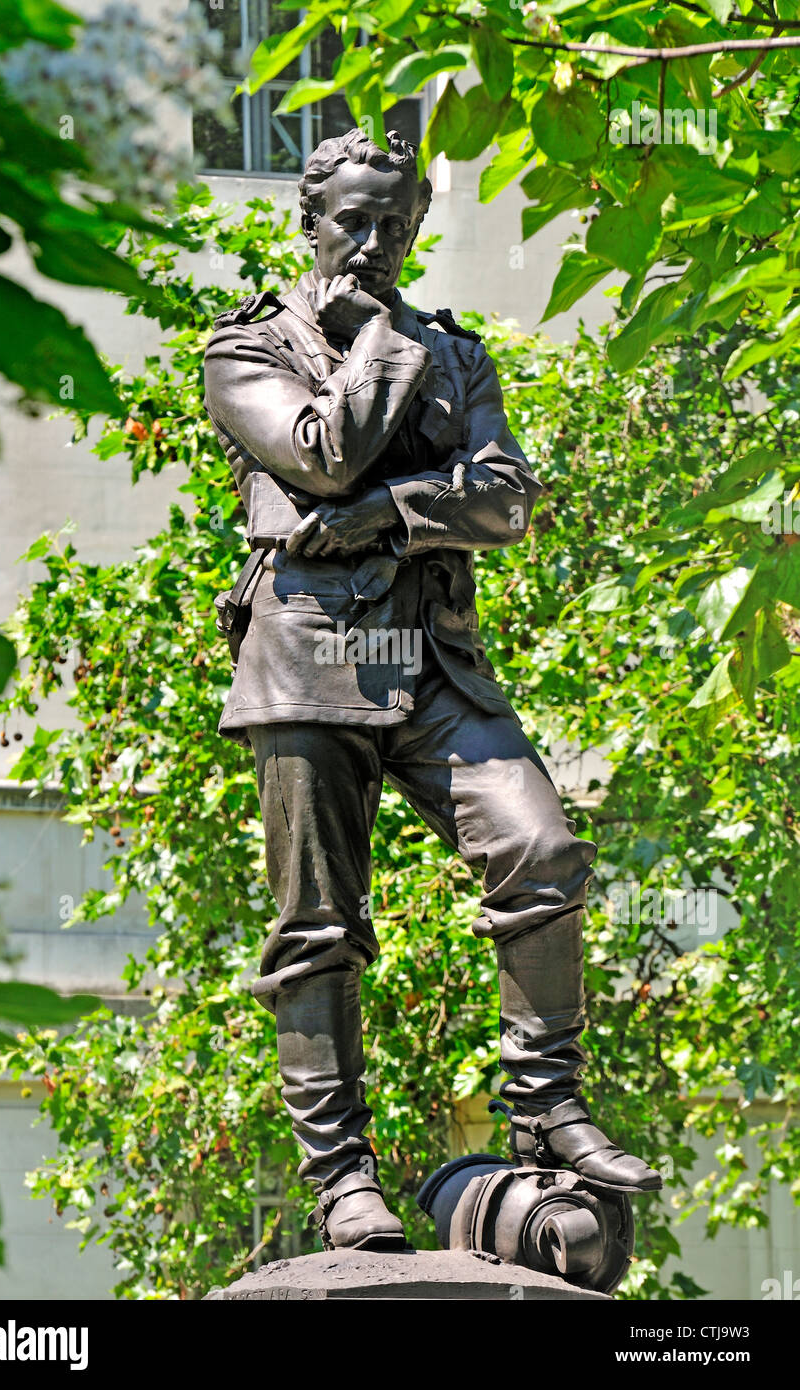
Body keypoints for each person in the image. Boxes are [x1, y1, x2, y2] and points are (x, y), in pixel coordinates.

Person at [203, 127, 661, 1253]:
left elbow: (506, 501)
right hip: (306, 660)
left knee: (539, 846)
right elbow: (318, 451)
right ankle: (339, 1174)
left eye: (393, 226)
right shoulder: (245, 347)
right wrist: (378, 360)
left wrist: (387, 517)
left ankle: (545, 1109)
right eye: (350, 222)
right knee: (315, 928)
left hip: (434, 659)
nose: (371, 244)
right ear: (307, 221)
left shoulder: (456, 353)